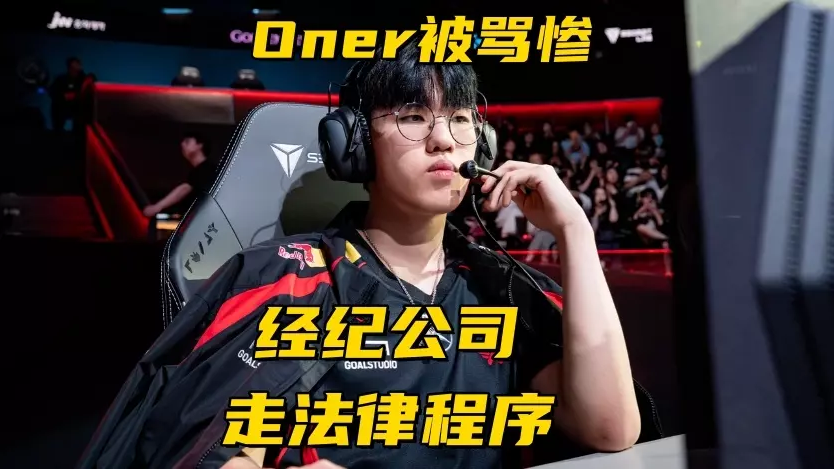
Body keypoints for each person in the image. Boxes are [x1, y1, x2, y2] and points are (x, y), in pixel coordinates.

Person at [79, 37, 648, 469]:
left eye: (459, 119)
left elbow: (609, 429)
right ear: (352, 142)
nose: (444, 139)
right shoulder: (285, 282)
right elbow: (207, 448)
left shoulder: (503, 290)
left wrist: (575, 231)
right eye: (413, 117)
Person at [142, 133, 217, 217]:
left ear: (199, 145)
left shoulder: (206, 169)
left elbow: (184, 189)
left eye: (187, 142)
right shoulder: (201, 170)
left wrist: (157, 207)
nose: (182, 144)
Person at [48, 57, 86, 132]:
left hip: (78, 107)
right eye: (72, 67)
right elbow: (52, 92)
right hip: (62, 107)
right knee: (56, 109)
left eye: (77, 65)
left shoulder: (85, 80)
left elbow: (89, 93)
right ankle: (58, 132)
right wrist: (64, 96)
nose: (74, 69)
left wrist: (75, 96)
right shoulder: (61, 79)